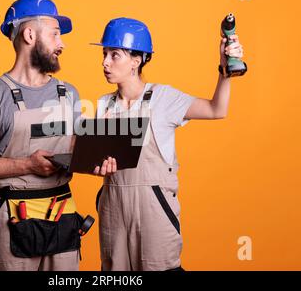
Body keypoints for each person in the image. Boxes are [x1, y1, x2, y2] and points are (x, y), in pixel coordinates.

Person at [92, 17, 244, 270]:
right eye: (104, 53)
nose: (105, 62)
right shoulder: (103, 105)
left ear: (136, 60)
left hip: (154, 211)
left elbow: (217, 109)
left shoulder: (163, 98)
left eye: (114, 55)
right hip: (113, 211)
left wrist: (225, 70)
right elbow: (98, 161)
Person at [0, 0, 86, 271]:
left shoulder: (69, 93)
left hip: (62, 215)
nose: (61, 44)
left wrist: (99, 158)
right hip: (14, 219)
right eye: (55, 34)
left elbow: (77, 148)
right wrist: (27, 164)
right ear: (29, 34)